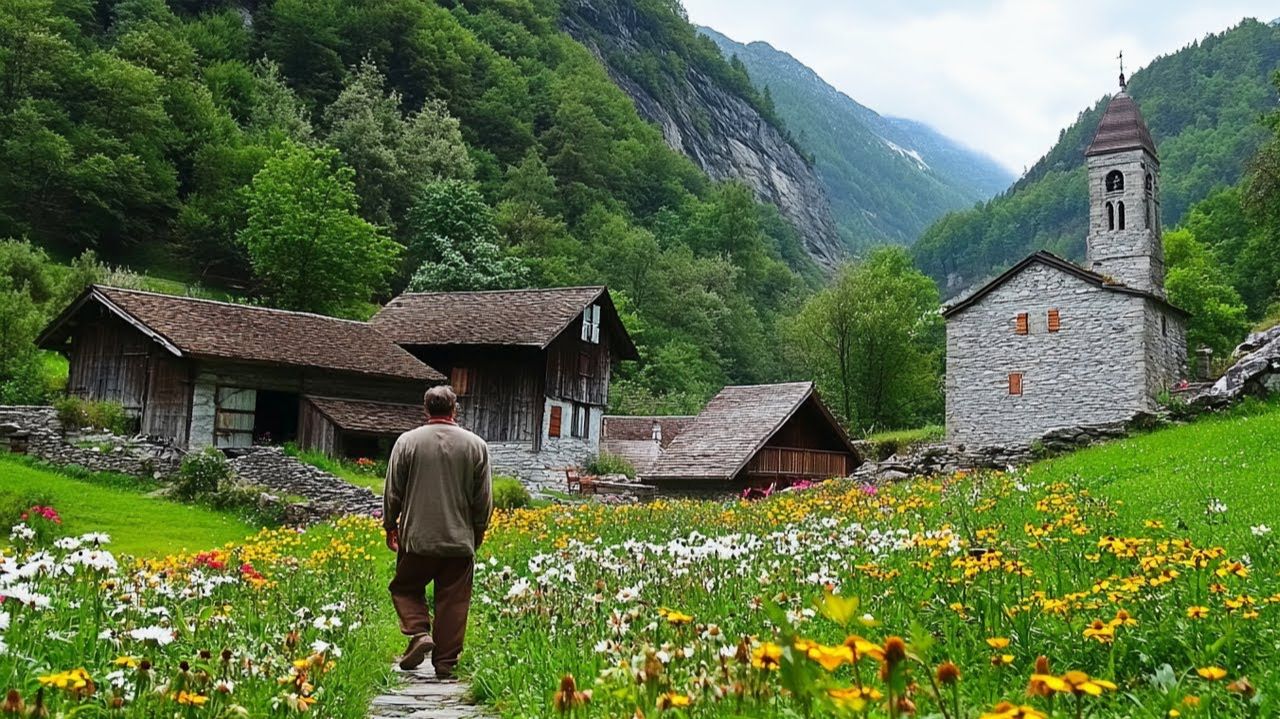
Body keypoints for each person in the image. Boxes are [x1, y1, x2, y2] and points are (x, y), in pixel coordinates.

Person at [382, 385, 493, 677]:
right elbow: (483, 497)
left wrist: (390, 524)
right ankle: (445, 662)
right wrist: (479, 529)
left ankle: (419, 632)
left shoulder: (407, 442)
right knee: (453, 600)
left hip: (417, 538)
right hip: (459, 538)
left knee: (405, 587)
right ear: (455, 409)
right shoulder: (476, 445)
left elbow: (393, 490)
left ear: (426, 409)